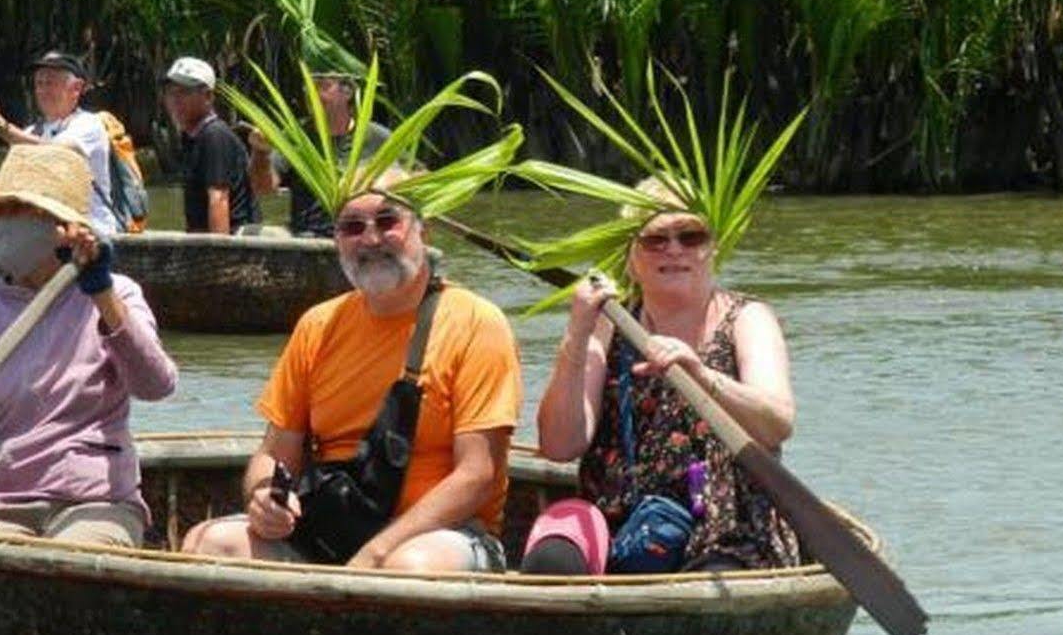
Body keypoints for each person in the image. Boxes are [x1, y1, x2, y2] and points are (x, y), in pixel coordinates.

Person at [180, 184, 522, 571]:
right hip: (335, 521)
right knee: (208, 543)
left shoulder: (478, 322)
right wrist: (263, 498)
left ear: (423, 232)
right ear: (337, 239)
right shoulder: (318, 325)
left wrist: (376, 554)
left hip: (442, 534)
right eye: (353, 227)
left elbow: (477, 476)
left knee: (408, 566)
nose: (371, 239)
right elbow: (275, 453)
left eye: (387, 221)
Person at [0, 145, 178, 546]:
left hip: (94, 501)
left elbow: (156, 385)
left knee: (78, 556)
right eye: (1, 212)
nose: (7, 226)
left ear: (64, 229)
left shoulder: (116, 295)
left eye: (25, 212)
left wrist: (101, 294)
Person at [524, 184, 798, 574]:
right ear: (632, 257)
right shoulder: (608, 324)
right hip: (622, 518)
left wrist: (702, 376)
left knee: (714, 583)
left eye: (690, 236)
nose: (674, 249)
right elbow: (560, 445)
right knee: (552, 560)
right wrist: (577, 333)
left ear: (712, 247)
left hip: (725, 525)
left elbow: (776, 424)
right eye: (655, 239)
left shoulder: (747, 318)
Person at [0, 50, 120, 234]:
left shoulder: (89, 125)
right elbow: (13, 181)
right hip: (46, 229)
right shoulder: (31, 132)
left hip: (90, 231)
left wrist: (0, 126)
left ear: (77, 88)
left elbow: (56, 153)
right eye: (39, 84)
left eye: (50, 83)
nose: (42, 90)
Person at [246, 71, 392, 237]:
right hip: (309, 240)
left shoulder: (377, 138)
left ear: (347, 92)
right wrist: (260, 153)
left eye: (321, 85)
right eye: (307, 86)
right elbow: (264, 190)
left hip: (362, 238)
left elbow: (412, 179)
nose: (311, 93)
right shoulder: (295, 137)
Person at [162, 56, 258, 234]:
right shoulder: (191, 137)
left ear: (208, 96)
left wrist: (217, 255)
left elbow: (219, 199)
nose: (175, 100)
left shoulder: (214, 135)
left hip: (236, 239)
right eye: (171, 92)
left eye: (184, 92)